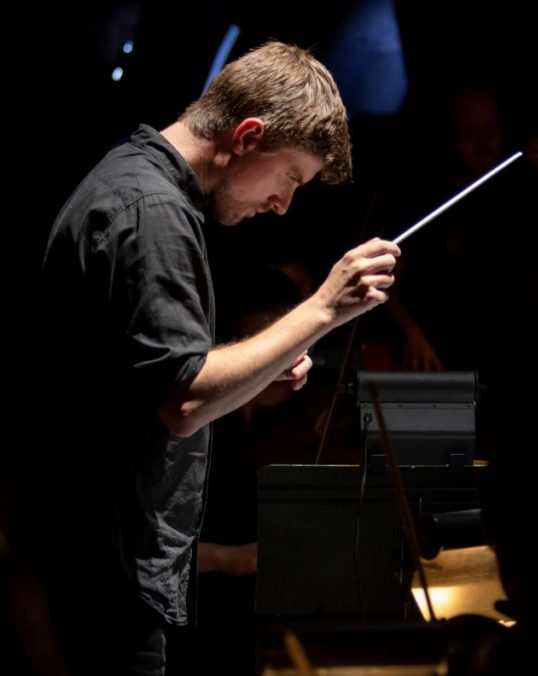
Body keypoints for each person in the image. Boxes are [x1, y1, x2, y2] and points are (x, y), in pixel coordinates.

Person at [16, 41, 399, 673]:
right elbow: (186, 398)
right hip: (99, 576)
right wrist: (324, 308)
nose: (283, 204)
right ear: (248, 135)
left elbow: (153, 376)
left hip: (90, 566)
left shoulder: (135, 178)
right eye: (290, 180)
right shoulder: (154, 211)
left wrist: (266, 360)